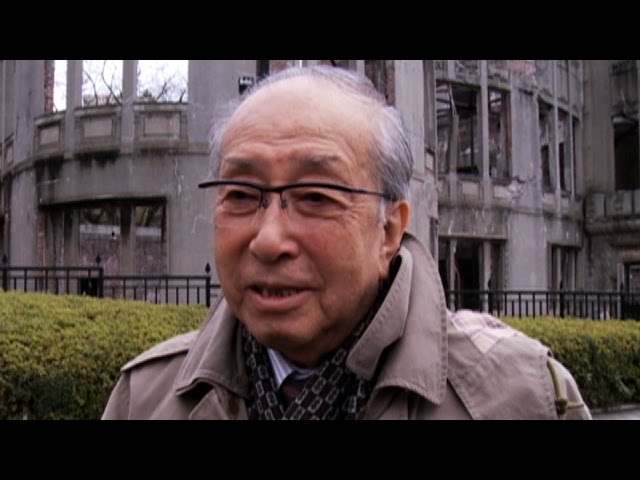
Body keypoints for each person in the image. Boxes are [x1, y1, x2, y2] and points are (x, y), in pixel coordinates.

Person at [102, 65, 591, 420]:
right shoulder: (146, 398)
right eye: (242, 195)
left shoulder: (519, 396)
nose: (268, 240)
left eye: (316, 196)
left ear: (389, 232)